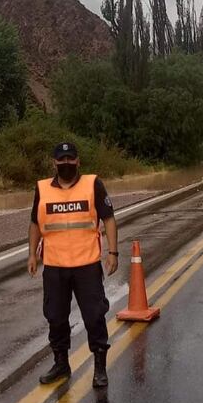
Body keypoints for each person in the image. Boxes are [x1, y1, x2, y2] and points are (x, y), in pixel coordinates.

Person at [28, 142, 119, 388]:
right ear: (54, 163)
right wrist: (32, 254)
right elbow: (35, 223)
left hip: (86, 265)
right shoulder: (42, 189)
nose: (66, 163)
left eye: (70, 159)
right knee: (56, 318)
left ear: (78, 161)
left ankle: (99, 367)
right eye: (62, 160)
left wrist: (113, 252)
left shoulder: (93, 184)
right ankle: (61, 364)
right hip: (54, 267)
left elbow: (109, 219)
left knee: (94, 316)